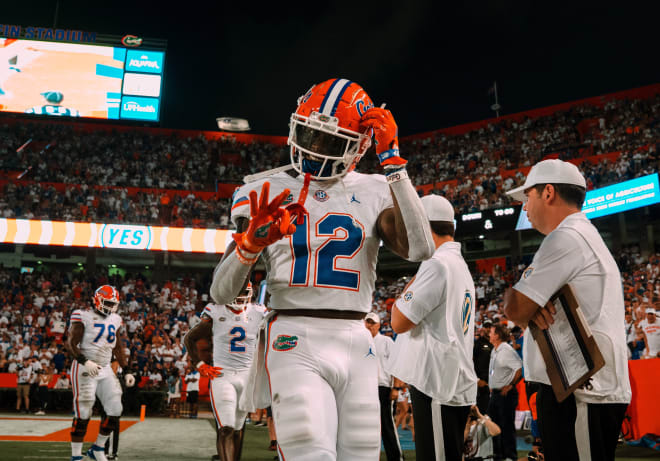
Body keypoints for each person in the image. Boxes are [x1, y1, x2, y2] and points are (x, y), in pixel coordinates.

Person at [210, 77, 435, 460]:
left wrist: (395, 165)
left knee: (361, 455)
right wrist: (249, 246)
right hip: (293, 334)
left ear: (360, 145)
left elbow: (421, 248)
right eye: (309, 133)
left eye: (330, 141)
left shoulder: (376, 187)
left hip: (355, 337)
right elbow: (221, 293)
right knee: (310, 453)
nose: (314, 148)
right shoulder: (263, 189)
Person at [503, 159, 631, 461]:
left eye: (527, 196)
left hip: (581, 392)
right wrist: (532, 306)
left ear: (548, 192)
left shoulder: (566, 236)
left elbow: (515, 308)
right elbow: (525, 309)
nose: (524, 207)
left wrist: (526, 304)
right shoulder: (581, 234)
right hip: (583, 389)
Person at [388, 194, 477, 461]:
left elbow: (398, 321)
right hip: (447, 380)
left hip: (437, 384)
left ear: (424, 227)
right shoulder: (456, 263)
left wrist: (401, 295)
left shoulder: (437, 264)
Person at [184, 282, 266, 461]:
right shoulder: (216, 311)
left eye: (243, 292)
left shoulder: (259, 312)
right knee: (226, 428)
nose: (239, 296)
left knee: (237, 429)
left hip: (247, 376)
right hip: (223, 375)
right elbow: (190, 338)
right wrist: (199, 365)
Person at [66, 285, 131, 461]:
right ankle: (76, 456)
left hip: (105, 367)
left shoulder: (116, 319)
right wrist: (84, 361)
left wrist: (127, 369)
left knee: (116, 409)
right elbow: (70, 343)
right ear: (98, 300)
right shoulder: (83, 315)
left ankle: (98, 448)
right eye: (108, 302)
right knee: (84, 411)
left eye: (113, 303)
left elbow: (117, 345)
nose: (111, 307)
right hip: (84, 367)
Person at [364, 312, 403, 461]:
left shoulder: (386, 341)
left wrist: (396, 387)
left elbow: (396, 365)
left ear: (379, 325)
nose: (369, 325)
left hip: (383, 387)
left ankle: (396, 457)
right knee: (368, 426)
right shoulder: (361, 342)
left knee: (387, 425)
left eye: (372, 323)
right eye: (367, 322)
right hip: (365, 388)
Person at [486, 323, 522, 461]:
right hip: (495, 394)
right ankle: (498, 455)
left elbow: (519, 368)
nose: (489, 334)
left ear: (497, 335)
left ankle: (510, 456)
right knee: (493, 426)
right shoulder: (495, 350)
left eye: (491, 332)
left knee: (506, 426)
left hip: (505, 394)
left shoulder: (506, 349)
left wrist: (511, 385)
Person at [473, 319, 494, 414]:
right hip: (480, 381)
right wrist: (476, 379)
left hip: (491, 380)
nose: (488, 329)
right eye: (486, 327)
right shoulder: (478, 343)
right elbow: (471, 360)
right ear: (483, 328)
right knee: (480, 408)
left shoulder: (493, 343)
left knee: (490, 408)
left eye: (490, 326)